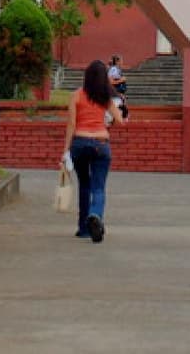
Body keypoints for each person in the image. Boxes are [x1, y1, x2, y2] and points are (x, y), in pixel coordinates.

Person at [63, 59, 125, 242]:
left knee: (84, 184)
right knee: (98, 186)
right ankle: (95, 214)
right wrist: (108, 123)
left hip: (80, 143)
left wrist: (66, 150)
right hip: (101, 142)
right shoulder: (105, 97)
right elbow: (120, 120)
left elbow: (71, 124)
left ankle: (83, 228)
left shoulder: (76, 95)